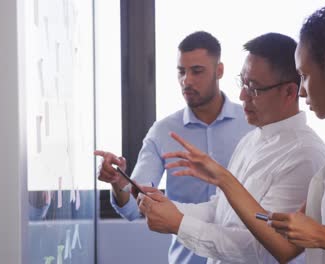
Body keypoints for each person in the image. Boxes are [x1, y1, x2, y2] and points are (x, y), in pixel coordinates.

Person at [162, 3, 325, 264]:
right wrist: (221, 179)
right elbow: (284, 246)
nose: (301, 91)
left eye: (305, 76)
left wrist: (323, 236)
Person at [137, 32, 325, 264]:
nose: (242, 95)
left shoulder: (305, 156)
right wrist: (170, 208)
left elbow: (261, 249)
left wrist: (179, 224)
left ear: (289, 92)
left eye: (254, 88)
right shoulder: (251, 139)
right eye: (243, 83)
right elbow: (221, 211)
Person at [95, 31, 252, 264]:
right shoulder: (162, 131)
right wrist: (119, 183)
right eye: (181, 71)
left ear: (219, 71)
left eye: (197, 71)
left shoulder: (251, 124)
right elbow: (134, 207)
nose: (186, 81)